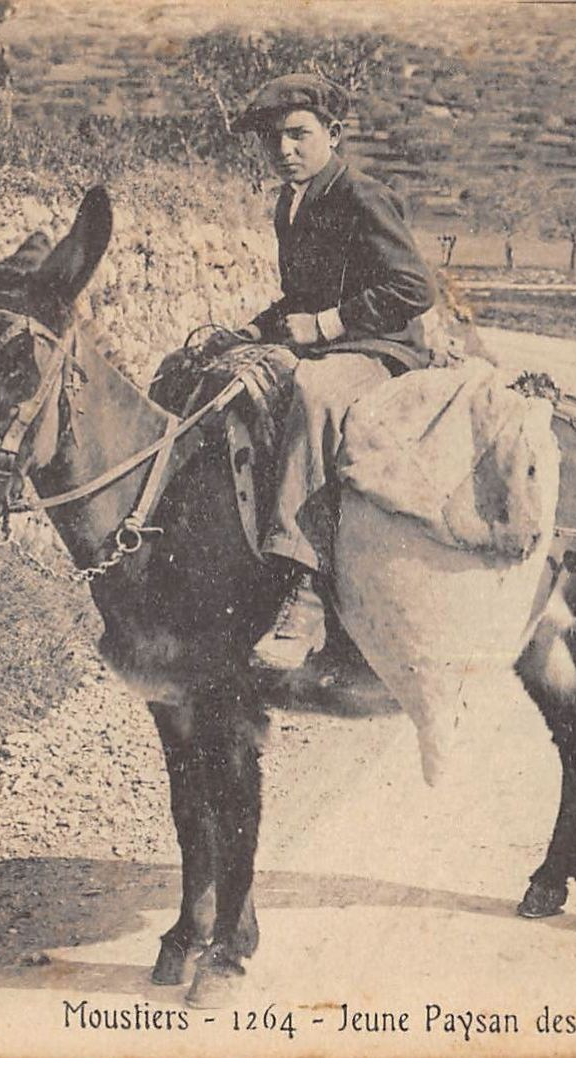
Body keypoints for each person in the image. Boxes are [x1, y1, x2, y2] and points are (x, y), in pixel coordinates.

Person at [210, 73, 436, 672]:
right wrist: (256, 330)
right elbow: (298, 299)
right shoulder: (291, 204)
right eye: (273, 140)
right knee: (227, 381)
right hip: (332, 343)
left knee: (314, 391)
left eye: (298, 135)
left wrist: (330, 324)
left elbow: (415, 288)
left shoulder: (362, 195)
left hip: (383, 351)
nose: (284, 149)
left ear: (332, 134)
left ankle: (306, 593)